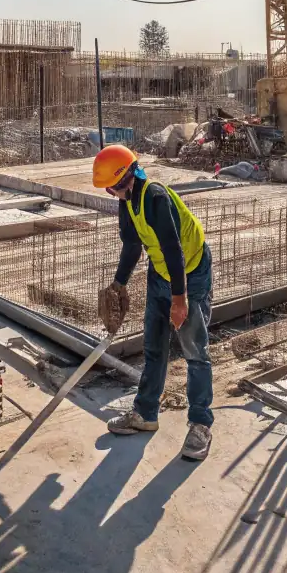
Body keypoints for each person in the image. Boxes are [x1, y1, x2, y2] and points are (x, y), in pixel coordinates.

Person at [93, 143, 213, 462]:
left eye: (108, 187)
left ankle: (201, 424)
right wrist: (118, 283)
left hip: (190, 274)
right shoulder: (127, 201)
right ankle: (145, 414)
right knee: (154, 347)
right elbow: (133, 246)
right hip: (161, 273)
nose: (108, 192)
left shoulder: (155, 197)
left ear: (119, 181)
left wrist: (179, 300)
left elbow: (174, 249)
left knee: (195, 352)